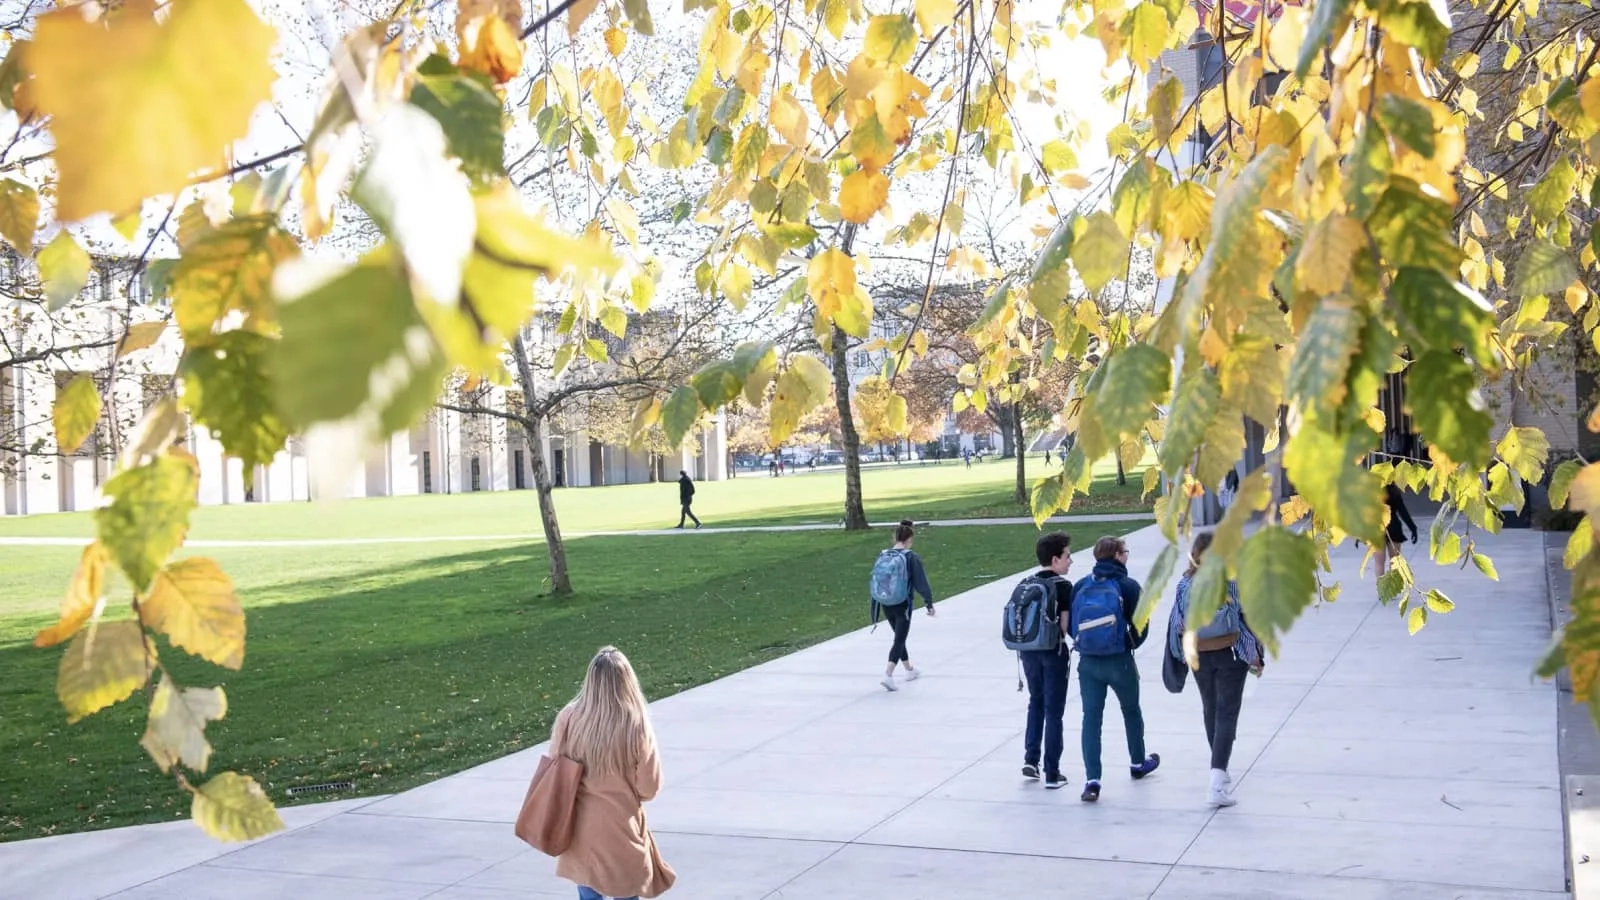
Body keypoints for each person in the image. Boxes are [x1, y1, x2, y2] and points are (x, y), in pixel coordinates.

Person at [551, 647, 675, 900]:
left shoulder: (569, 717)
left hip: (580, 827)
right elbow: (649, 787)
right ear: (627, 681)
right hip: (622, 828)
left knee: (588, 893)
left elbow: (554, 766)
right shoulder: (636, 723)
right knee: (627, 893)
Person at [1168, 532, 1264, 808]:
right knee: (1227, 713)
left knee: (1210, 709)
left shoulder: (1185, 583)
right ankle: (1216, 780)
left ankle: (1218, 766)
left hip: (1198, 653)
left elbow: (1177, 622)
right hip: (1230, 653)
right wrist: (1257, 655)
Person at [1072, 536, 1161, 803]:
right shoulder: (1129, 586)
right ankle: (1137, 762)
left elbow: (1071, 625)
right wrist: (1128, 642)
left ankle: (1092, 781)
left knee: (1091, 718)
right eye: (1126, 552)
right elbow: (1142, 624)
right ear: (1118, 556)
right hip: (1119, 660)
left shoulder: (1080, 586)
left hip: (1088, 663)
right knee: (1131, 710)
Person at [1018, 531, 1074, 789]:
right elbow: (1064, 626)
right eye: (1067, 556)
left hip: (1028, 651)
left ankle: (1031, 759)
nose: (1070, 561)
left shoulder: (1025, 582)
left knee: (1035, 703)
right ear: (1055, 559)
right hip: (1053, 652)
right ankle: (1052, 771)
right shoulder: (1063, 586)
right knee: (1054, 711)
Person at [870, 520, 936, 691]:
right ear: (909, 539)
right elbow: (921, 583)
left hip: (885, 601)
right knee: (899, 638)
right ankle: (888, 674)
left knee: (899, 637)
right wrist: (928, 603)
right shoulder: (910, 557)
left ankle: (909, 669)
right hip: (902, 603)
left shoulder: (884, 554)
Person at [1378, 483, 1417, 575]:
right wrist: (1412, 527)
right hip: (1393, 527)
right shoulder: (1393, 490)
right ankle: (1393, 587)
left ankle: (1381, 587)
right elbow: (1402, 510)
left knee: (1379, 563)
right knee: (1395, 561)